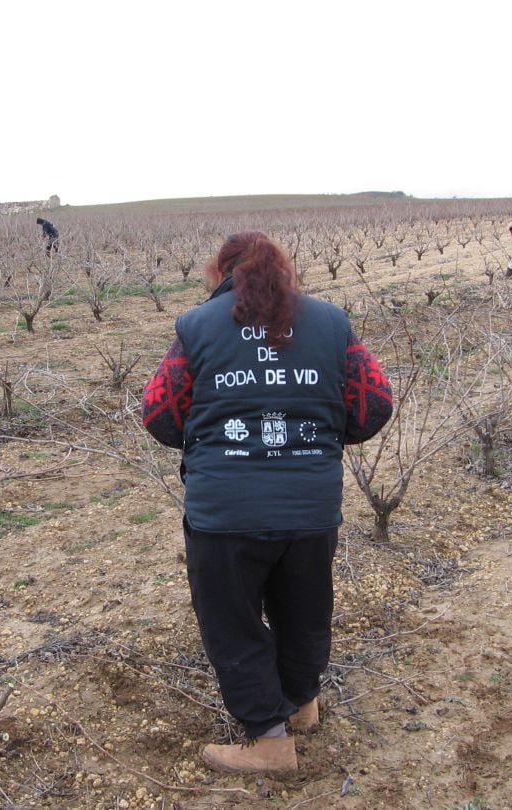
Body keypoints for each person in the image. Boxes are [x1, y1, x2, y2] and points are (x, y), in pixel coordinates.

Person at [142, 231, 393, 773]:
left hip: (225, 513)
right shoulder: (330, 322)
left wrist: (211, 441)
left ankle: (269, 740)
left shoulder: (197, 326)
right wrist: (321, 437)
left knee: (232, 622)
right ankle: (302, 705)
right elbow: (373, 405)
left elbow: (160, 413)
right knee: (304, 610)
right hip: (310, 508)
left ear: (221, 272)